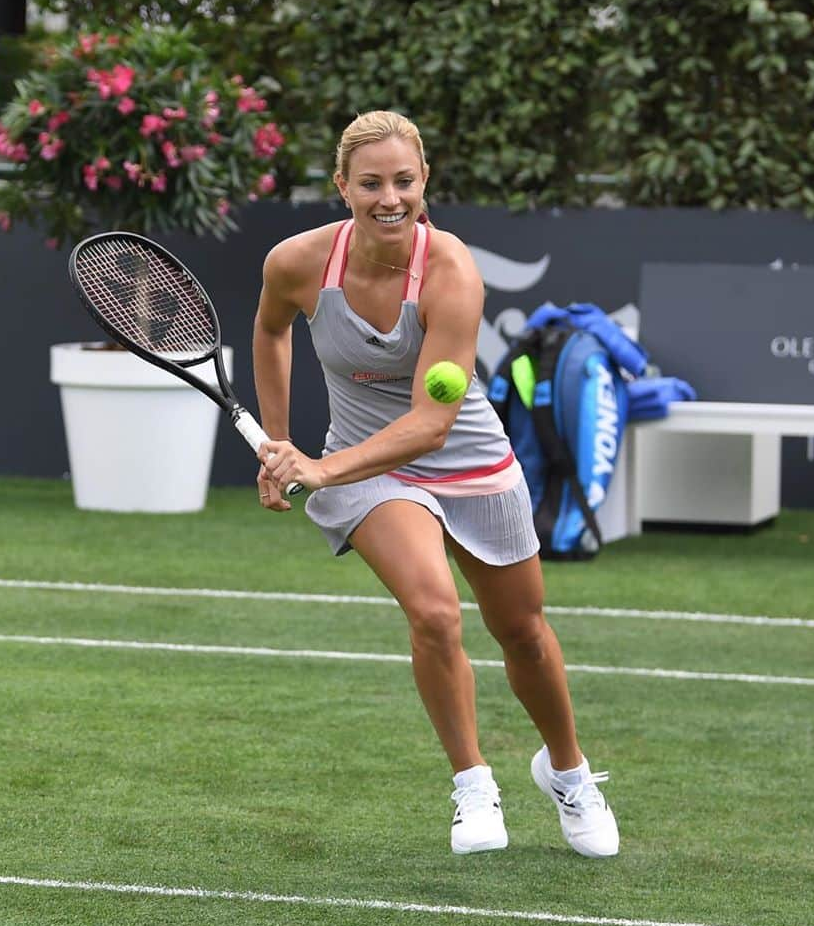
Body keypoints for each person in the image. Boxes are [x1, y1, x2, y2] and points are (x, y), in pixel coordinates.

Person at [252, 110, 618, 858]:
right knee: (435, 613)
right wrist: (280, 440)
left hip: (463, 459)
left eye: (404, 181)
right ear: (342, 187)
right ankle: (472, 783)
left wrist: (316, 470)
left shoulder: (451, 270)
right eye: (372, 183)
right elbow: (270, 330)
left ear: (425, 182)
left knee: (523, 633)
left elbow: (430, 426)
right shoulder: (295, 262)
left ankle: (567, 771)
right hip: (365, 467)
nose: (390, 198)